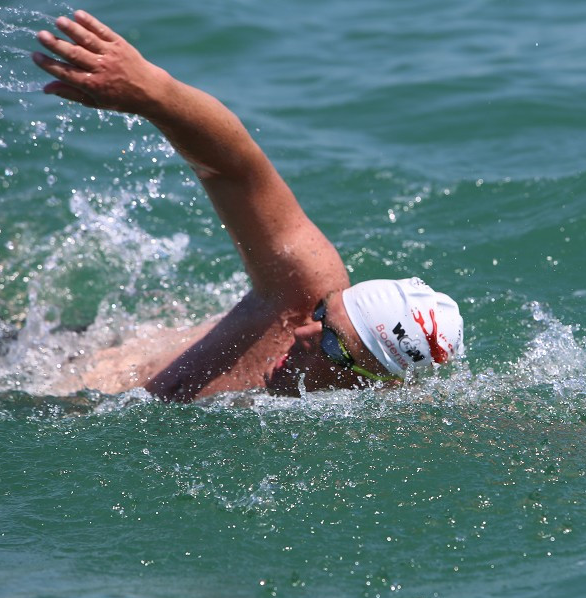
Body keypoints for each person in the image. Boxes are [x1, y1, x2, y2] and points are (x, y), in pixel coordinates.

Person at [31, 10, 464, 401]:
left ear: (374, 383)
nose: (303, 331)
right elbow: (236, 170)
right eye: (323, 313)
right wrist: (153, 92)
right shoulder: (301, 292)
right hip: (41, 360)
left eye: (333, 344)